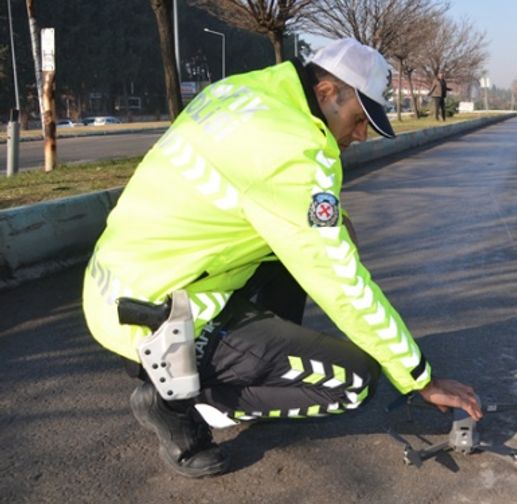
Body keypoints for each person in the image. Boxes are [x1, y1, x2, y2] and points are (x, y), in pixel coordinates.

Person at [81, 38, 481, 478]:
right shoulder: (296, 150)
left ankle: (227, 368)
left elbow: (258, 189)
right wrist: (419, 377)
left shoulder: (245, 91)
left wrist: (334, 223)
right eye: (359, 118)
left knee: (306, 247)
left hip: (116, 286)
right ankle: (183, 400)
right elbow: (342, 284)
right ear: (328, 92)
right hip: (158, 319)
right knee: (355, 381)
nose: (362, 133)